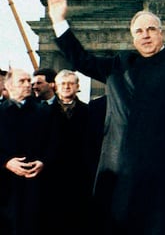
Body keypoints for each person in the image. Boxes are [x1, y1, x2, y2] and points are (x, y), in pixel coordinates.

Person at [47, 0, 165, 235]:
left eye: (151, 30)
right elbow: (81, 59)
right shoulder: (119, 64)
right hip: (122, 170)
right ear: (133, 38)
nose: (145, 36)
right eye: (139, 32)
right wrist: (59, 20)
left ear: (161, 32)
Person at [0, 68, 54, 235]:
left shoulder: (45, 112)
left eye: (28, 80)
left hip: (35, 183)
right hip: (4, 185)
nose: (28, 84)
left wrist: (43, 161)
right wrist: (6, 162)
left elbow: (54, 142)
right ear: (8, 86)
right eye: (21, 81)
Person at [42, 69, 96, 234]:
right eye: (62, 84)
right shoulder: (43, 112)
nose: (66, 87)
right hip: (50, 176)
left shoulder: (90, 112)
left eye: (71, 83)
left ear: (78, 86)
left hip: (80, 176)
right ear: (55, 87)